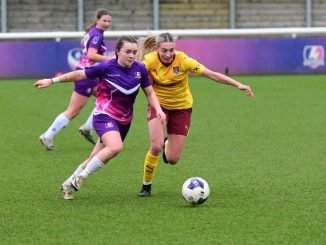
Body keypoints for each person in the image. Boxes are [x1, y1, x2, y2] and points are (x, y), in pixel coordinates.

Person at [34, 36, 166, 200]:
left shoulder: (140, 70)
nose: (131, 55)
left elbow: (150, 92)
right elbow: (79, 74)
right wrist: (52, 80)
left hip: (124, 121)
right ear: (118, 52)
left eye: (134, 52)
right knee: (115, 147)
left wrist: (158, 109)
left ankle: (67, 184)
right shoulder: (106, 67)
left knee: (94, 157)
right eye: (127, 52)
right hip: (104, 116)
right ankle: (81, 178)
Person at [137, 32, 255, 197]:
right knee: (155, 145)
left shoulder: (184, 60)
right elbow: (132, 74)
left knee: (172, 159)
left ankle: (167, 145)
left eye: (171, 50)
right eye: (164, 50)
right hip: (159, 106)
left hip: (182, 108)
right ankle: (146, 186)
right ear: (156, 49)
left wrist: (238, 84)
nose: (168, 54)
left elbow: (212, 74)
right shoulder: (149, 61)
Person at [39, 9, 113, 150]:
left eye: (109, 21)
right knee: (73, 111)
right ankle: (48, 135)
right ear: (97, 20)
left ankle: (87, 128)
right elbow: (91, 55)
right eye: (104, 20)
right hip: (86, 75)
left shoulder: (92, 32)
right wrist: (111, 59)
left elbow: (86, 48)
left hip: (90, 74)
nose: (107, 23)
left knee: (107, 98)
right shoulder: (97, 35)